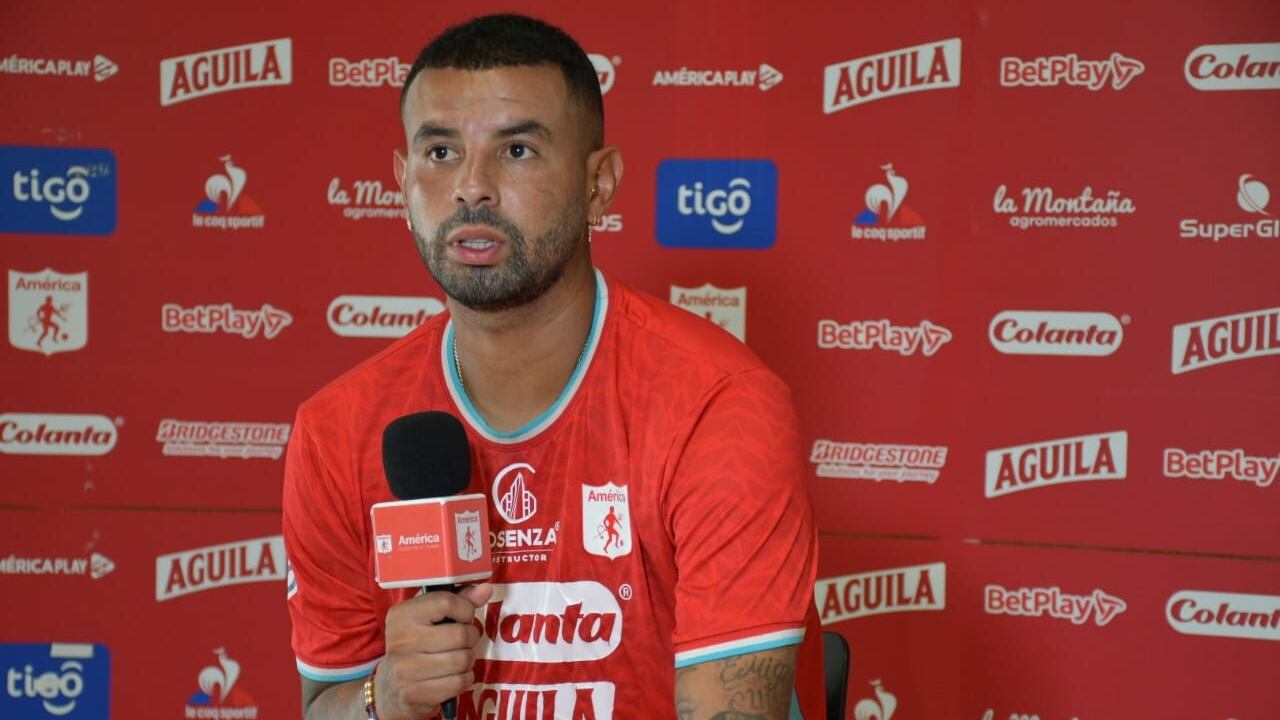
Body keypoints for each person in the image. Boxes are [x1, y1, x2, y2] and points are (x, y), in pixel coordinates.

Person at [282, 13, 823, 720]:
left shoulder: (717, 405)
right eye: (440, 152)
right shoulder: (337, 431)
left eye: (517, 151)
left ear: (599, 184)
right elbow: (325, 704)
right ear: (401, 181)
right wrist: (382, 696)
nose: (471, 188)